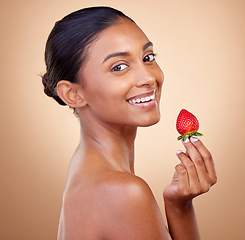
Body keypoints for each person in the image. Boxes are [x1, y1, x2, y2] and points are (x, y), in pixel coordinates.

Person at [42, 6, 217, 240]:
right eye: (119, 67)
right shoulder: (122, 192)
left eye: (148, 58)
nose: (148, 78)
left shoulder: (84, 168)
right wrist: (181, 211)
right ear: (73, 94)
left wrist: (178, 204)